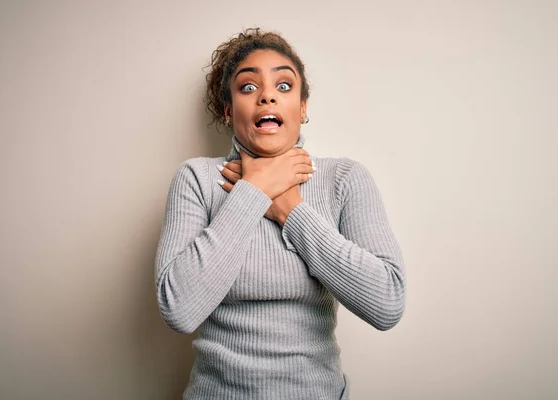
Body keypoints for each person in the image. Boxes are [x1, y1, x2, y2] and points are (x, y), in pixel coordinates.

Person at [155, 28, 406, 399]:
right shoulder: (197, 179)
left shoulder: (344, 179)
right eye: (248, 87)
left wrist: (288, 206)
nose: (267, 95)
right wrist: (253, 191)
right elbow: (178, 309)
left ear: (302, 108)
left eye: (284, 86)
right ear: (228, 110)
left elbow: (387, 303)